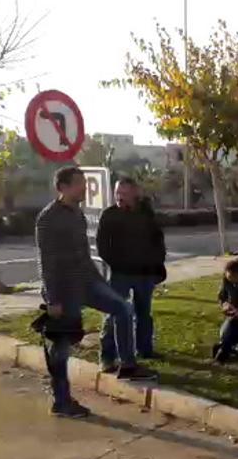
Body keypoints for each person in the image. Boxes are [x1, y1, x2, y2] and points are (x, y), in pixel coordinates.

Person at [36, 168, 157, 417]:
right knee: (61, 347)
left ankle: (128, 364)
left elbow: (83, 253)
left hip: (89, 282)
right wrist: (52, 298)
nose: (85, 188)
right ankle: (61, 401)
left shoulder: (77, 214)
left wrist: (99, 280)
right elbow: (46, 261)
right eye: (80, 184)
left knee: (123, 308)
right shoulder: (48, 218)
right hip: (64, 289)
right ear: (63, 187)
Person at [97, 178, 166, 360]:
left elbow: (157, 240)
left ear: (136, 194)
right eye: (117, 193)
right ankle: (107, 356)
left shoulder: (146, 214)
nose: (120, 197)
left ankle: (144, 349)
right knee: (114, 315)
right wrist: (118, 264)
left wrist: (158, 264)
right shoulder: (109, 215)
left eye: (125, 194)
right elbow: (103, 246)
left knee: (144, 314)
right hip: (120, 274)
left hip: (145, 274)